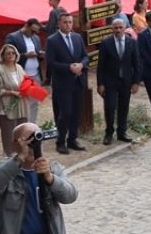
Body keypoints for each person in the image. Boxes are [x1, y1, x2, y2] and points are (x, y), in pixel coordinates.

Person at [44, 13, 89, 155]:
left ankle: (73, 139)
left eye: (70, 22)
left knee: (76, 112)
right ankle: (61, 141)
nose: (68, 25)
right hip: (62, 83)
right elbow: (50, 62)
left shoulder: (77, 37)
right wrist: (69, 67)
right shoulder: (52, 40)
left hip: (78, 81)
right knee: (66, 112)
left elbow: (85, 56)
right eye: (65, 22)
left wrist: (81, 65)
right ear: (59, 24)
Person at [96, 18, 139, 146]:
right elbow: (101, 65)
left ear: (125, 28)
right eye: (116, 28)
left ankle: (122, 132)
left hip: (126, 81)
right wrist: (100, 83)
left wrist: (136, 81)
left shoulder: (132, 42)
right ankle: (109, 132)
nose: (118, 30)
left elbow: (137, 63)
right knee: (109, 107)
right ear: (112, 29)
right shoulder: (106, 43)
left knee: (124, 107)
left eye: (121, 27)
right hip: (110, 81)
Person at [0, 45, 29, 158]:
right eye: (8, 53)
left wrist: (28, 89)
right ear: (3, 56)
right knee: (9, 134)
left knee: (22, 132)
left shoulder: (19, 67)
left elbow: (25, 81)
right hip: (6, 106)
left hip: (21, 104)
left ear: (16, 55)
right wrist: (11, 93)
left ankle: (22, 156)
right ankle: (10, 158)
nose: (11, 55)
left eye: (13, 53)